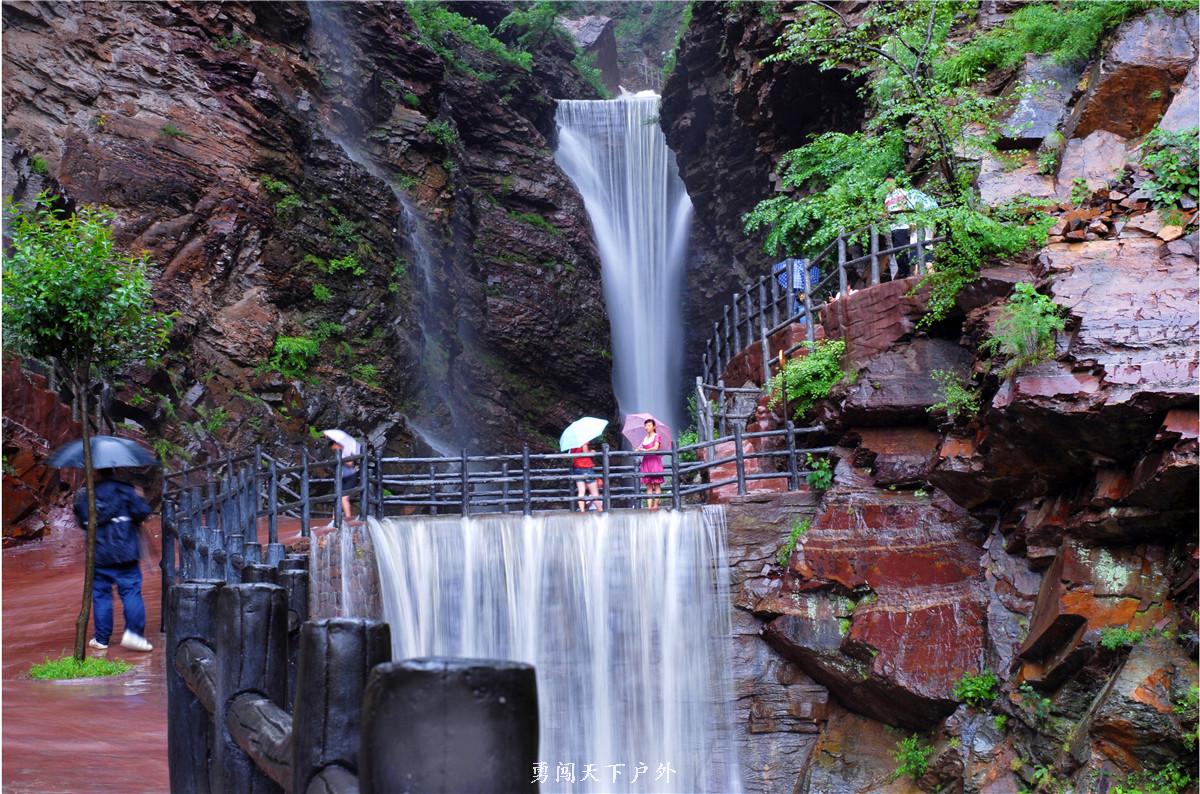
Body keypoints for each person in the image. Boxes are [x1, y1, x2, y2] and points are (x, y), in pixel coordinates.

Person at [73, 469, 154, 652]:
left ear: (95, 473)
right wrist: (139, 497)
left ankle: (101, 639)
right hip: (126, 552)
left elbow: (83, 521)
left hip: (99, 554)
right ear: (114, 470)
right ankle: (134, 636)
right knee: (131, 592)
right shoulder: (126, 490)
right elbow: (143, 513)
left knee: (101, 596)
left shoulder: (88, 495)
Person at [883, 179, 938, 280]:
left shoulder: (903, 193)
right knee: (921, 256)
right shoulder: (929, 217)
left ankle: (915, 277)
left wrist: (904, 219)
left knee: (915, 252)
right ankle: (918, 277)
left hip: (905, 228)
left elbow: (904, 208)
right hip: (903, 229)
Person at [636, 419, 665, 511]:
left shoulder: (657, 436)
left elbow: (656, 447)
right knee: (648, 485)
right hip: (646, 461)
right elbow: (641, 447)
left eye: (649, 425)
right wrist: (639, 449)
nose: (647, 427)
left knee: (656, 484)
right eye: (646, 425)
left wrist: (645, 450)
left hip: (654, 461)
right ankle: (649, 507)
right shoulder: (645, 438)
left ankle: (655, 505)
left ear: (654, 427)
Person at [329, 439, 358, 524]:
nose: (332, 449)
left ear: (336, 444)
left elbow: (350, 463)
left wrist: (341, 458)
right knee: (337, 496)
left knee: (344, 498)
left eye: (333, 447)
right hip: (341, 477)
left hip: (350, 477)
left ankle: (348, 517)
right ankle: (334, 517)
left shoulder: (346, 450)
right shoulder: (337, 453)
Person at [570, 441, 602, 513]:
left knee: (581, 491)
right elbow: (585, 453)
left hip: (577, 468)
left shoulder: (572, 444)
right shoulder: (583, 441)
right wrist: (592, 452)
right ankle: (600, 509)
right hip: (586, 467)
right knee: (594, 492)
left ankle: (582, 510)